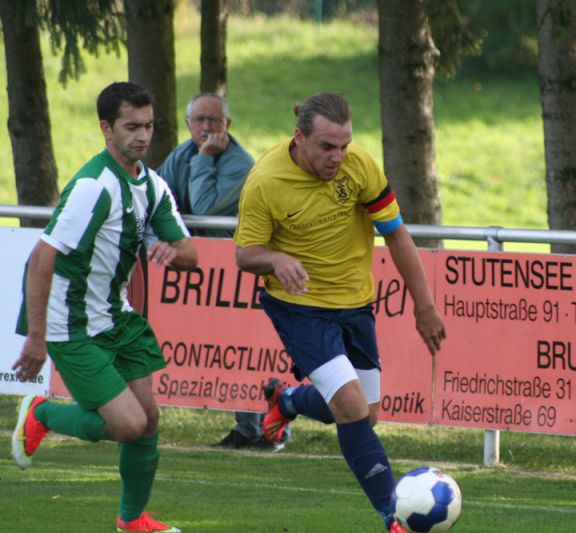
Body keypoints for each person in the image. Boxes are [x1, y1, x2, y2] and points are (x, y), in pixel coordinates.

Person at [234, 92, 446, 533]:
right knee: (350, 406)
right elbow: (244, 255)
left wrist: (424, 305)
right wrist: (275, 259)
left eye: (344, 145)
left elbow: (396, 234)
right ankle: (393, 516)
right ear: (300, 138)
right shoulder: (265, 182)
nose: (338, 156)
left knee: (366, 414)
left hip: (355, 304)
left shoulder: (360, 166)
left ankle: (287, 399)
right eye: (327, 146)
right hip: (299, 309)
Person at [11, 82, 197, 533]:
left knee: (148, 421)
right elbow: (41, 258)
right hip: (70, 325)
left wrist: (172, 252)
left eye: (148, 125)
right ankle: (42, 413)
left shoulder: (151, 185)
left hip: (116, 317)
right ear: (106, 129)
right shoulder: (93, 187)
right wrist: (36, 338)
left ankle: (131, 521)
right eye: (131, 127)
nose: (143, 135)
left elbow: (189, 254)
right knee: (130, 424)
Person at [158, 92, 290, 450]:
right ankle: (247, 428)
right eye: (198, 120)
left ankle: (274, 430)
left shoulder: (240, 163)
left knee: (253, 348)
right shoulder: (180, 155)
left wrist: (204, 158)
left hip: (243, 272)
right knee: (229, 349)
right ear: (187, 123)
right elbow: (160, 197)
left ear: (227, 124)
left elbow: (204, 206)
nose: (205, 127)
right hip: (206, 273)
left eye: (213, 120)